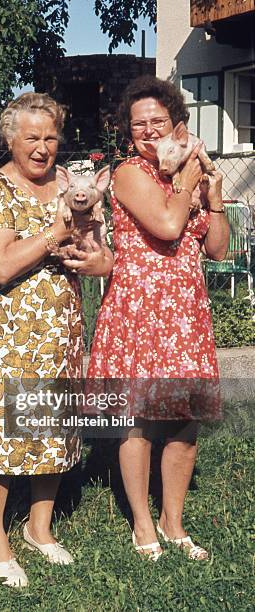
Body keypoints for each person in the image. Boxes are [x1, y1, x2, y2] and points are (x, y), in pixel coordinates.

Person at [0, 92, 113, 587]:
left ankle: (39, 528)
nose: (43, 147)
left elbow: (99, 251)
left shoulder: (69, 185)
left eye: (51, 137)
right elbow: (1, 265)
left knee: (52, 431)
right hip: (8, 335)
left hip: (62, 332)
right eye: (32, 137)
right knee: (1, 436)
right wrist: (54, 233)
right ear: (11, 139)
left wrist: (96, 262)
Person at [85, 75, 230, 561]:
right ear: (129, 135)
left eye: (158, 122)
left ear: (178, 126)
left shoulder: (188, 175)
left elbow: (217, 246)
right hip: (139, 311)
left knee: (183, 425)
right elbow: (168, 226)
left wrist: (213, 197)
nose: (148, 131)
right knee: (138, 423)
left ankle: (174, 521)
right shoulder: (130, 174)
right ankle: (142, 526)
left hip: (185, 315)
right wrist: (188, 185)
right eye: (139, 124)